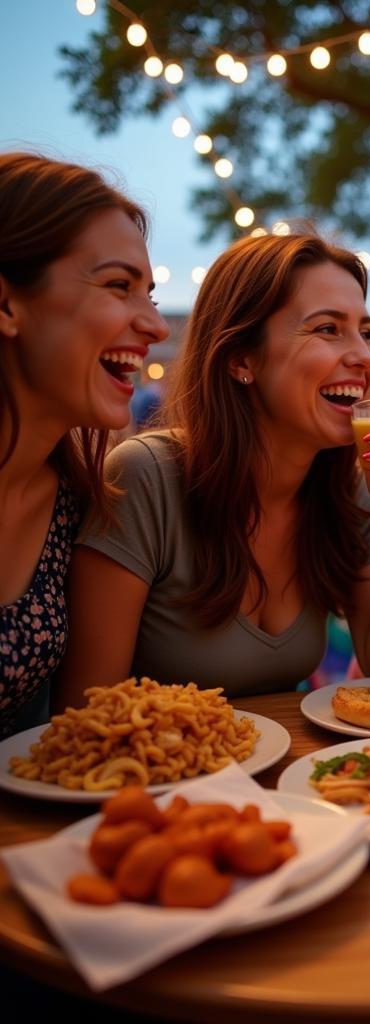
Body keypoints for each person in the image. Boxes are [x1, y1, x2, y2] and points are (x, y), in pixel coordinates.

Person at [59, 233, 370, 701]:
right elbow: (84, 711)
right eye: (326, 329)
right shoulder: (146, 476)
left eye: (365, 332)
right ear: (241, 359)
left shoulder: (354, 492)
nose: (364, 357)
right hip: (151, 770)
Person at [0, 153, 168, 736]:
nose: (156, 325)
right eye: (119, 286)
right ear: (7, 304)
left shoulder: (76, 499)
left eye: (149, 293)